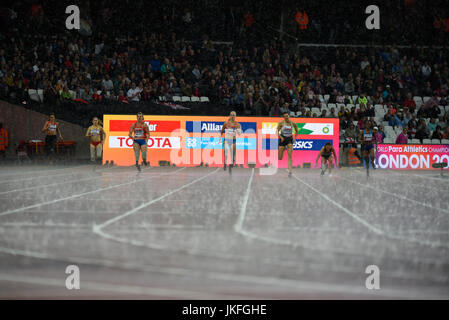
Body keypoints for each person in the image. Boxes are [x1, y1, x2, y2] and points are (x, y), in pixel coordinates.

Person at [277, 111, 299, 177]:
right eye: (285, 116)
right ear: (283, 117)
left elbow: (297, 131)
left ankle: (290, 171)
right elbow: (276, 131)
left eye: (287, 116)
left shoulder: (293, 123)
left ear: (289, 116)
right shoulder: (281, 123)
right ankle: (282, 149)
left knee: (290, 156)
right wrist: (280, 137)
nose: (286, 117)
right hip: (283, 139)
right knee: (280, 158)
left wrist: (295, 137)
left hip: (289, 139)